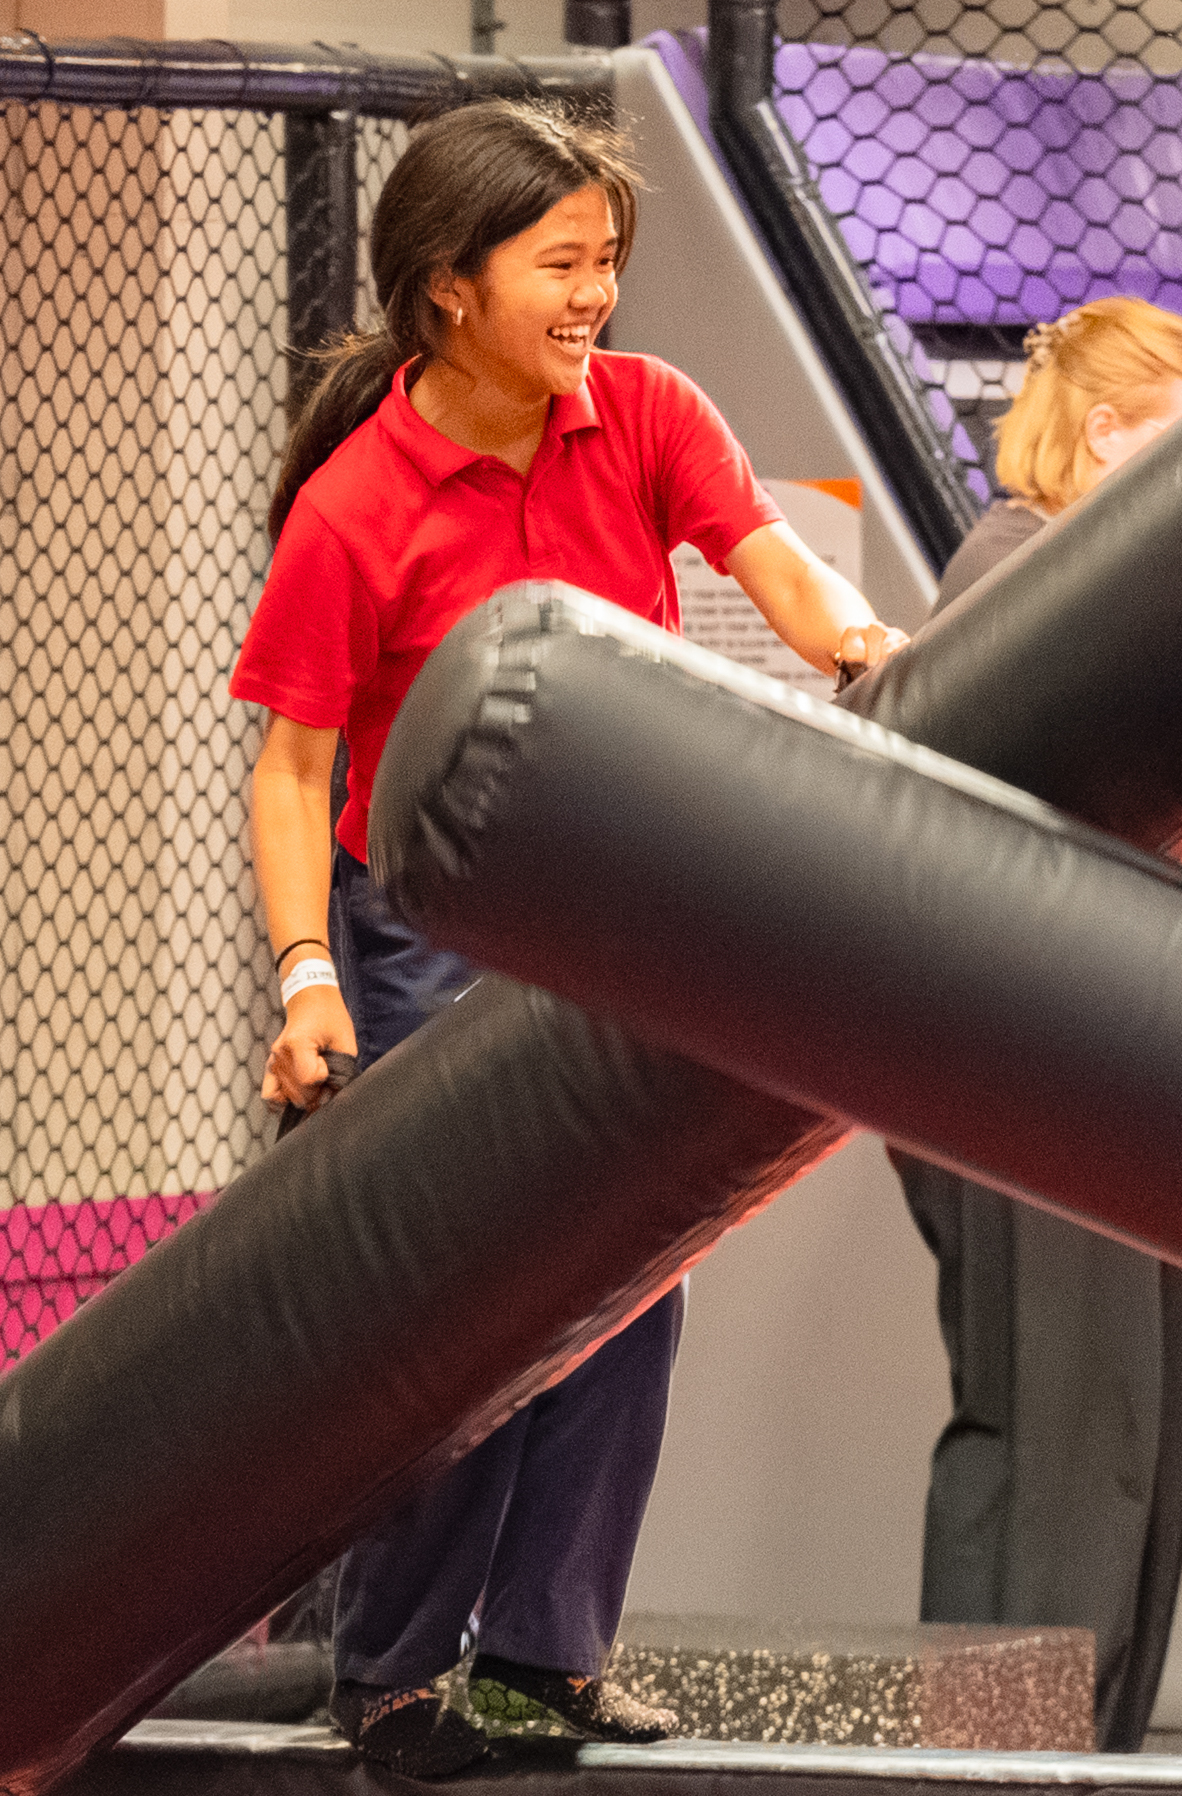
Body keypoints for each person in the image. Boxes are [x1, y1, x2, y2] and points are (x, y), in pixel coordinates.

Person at [231, 99, 907, 1778]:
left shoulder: (646, 415)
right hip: (430, 926)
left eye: (608, 260)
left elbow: (774, 565)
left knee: (625, 1279)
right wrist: (311, 979)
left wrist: (861, 643)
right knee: (461, 1305)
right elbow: (295, 767)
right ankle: (392, 1674)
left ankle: (545, 1658)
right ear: (450, 285)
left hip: (622, 903)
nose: (596, 293)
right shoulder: (357, 505)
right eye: (562, 263)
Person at [891, 295, 1182, 1751]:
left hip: (1116, 1045)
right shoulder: (1016, 575)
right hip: (1022, 1061)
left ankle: (1095, 1740)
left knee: (1134, 1425)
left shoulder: (1116, 589)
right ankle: (1001, 1757)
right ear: (1104, 434)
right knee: (1059, 1427)